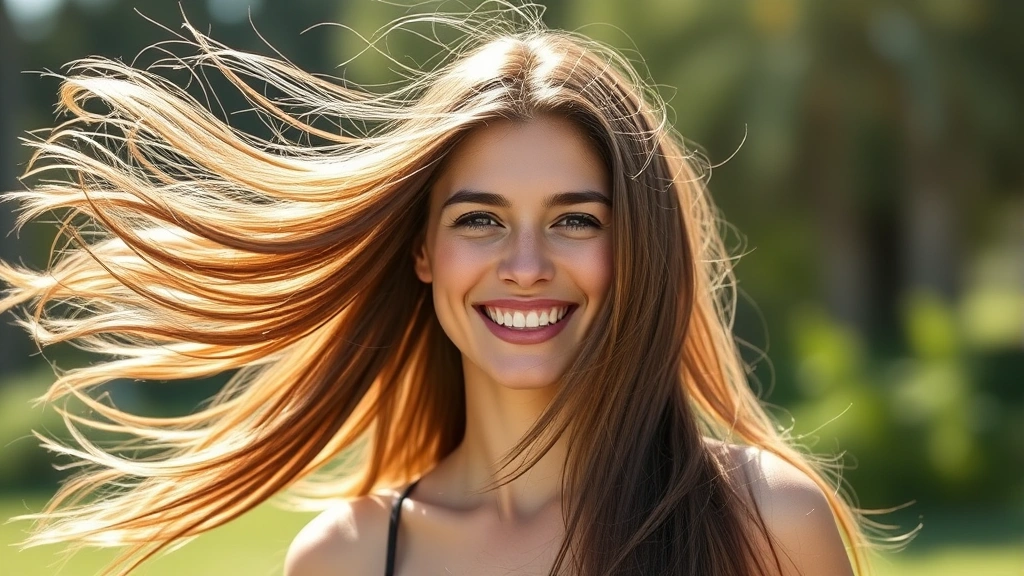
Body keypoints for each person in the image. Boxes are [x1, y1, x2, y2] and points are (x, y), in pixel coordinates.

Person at [0, 3, 876, 575]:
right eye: (480, 220)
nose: (525, 264)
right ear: (423, 251)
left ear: (637, 247)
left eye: (576, 220)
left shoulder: (765, 526)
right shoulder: (342, 560)